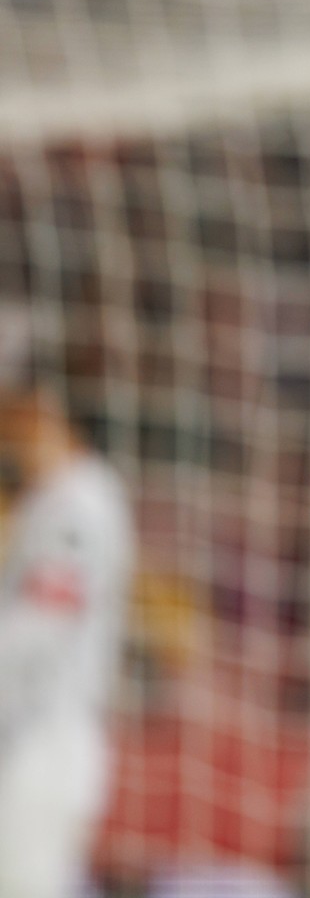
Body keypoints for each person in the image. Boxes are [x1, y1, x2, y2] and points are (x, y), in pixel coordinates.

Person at [0, 384, 134, 898]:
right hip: (36, 737)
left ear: (46, 413)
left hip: (47, 743)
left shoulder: (78, 504)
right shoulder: (56, 499)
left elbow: (42, 624)